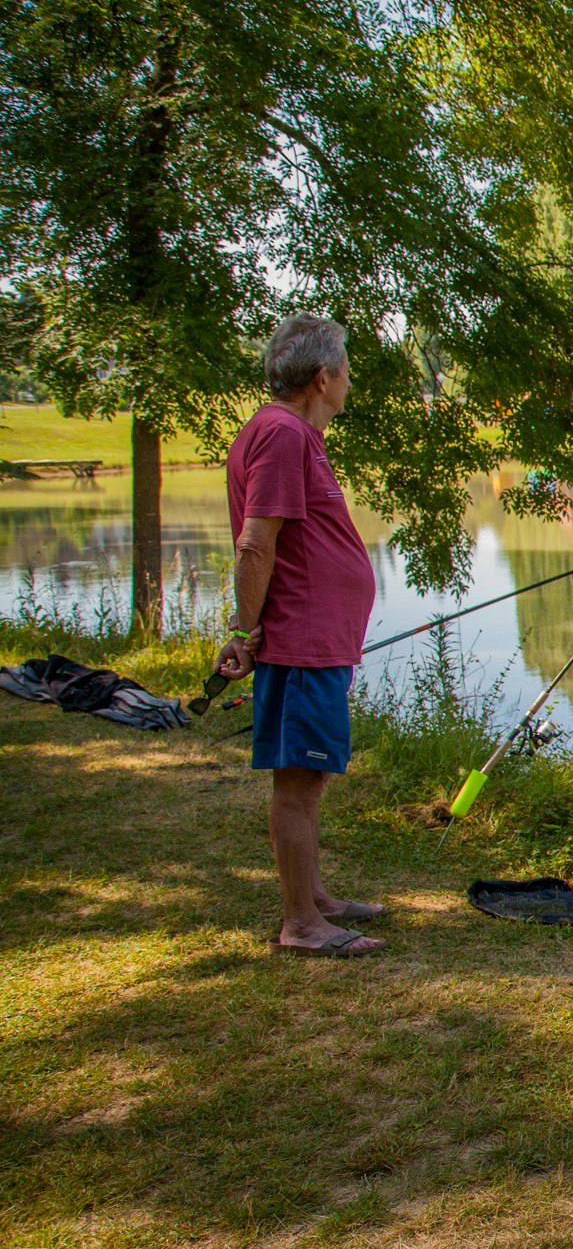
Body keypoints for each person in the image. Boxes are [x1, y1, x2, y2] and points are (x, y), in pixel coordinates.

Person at [214, 313, 386, 958]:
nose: (349, 383)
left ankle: (315, 898)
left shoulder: (290, 434)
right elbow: (257, 541)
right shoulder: (284, 436)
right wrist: (245, 630)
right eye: (346, 371)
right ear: (323, 377)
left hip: (316, 640)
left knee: (306, 775)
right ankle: (302, 926)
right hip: (301, 639)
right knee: (299, 780)